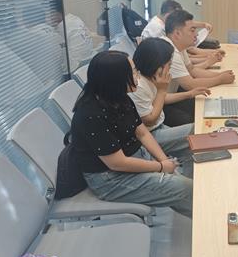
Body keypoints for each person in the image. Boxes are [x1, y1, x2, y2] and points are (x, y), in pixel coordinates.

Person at [69, 50, 193, 218]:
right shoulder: (91, 115)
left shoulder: (121, 98)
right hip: (111, 180)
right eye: (133, 72)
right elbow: (117, 163)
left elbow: (142, 133)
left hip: (134, 159)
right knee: (185, 188)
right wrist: (161, 167)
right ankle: (212, 226)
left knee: (182, 186)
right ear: (116, 79)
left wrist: (163, 160)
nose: (138, 77)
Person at [129, 38, 211, 178]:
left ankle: (190, 179)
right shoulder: (139, 85)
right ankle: (186, 181)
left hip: (158, 127)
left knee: (191, 146)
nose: (170, 68)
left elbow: (160, 99)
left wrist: (189, 94)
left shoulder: (150, 78)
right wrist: (162, 89)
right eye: (169, 64)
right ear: (157, 66)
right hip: (149, 135)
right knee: (196, 130)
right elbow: (150, 120)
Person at [163, 9, 235, 126]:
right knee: (196, 118)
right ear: (177, 33)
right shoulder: (169, 51)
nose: (196, 34)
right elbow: (190, 84)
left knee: (209, 104)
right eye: (192, 30)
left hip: (173, 94)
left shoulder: (179, 47)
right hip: (161, 105)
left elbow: (192, 70)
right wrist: (220, 79)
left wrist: (221, 75)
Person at [141, 0, 224, 67]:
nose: (196, 34)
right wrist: (208, 59)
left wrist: (210, 56)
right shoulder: (158, 30)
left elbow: (188, 58)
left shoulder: (161, 22)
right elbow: (187, 61)